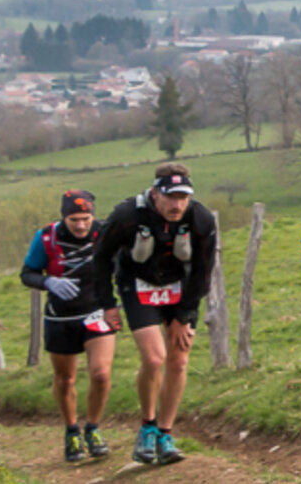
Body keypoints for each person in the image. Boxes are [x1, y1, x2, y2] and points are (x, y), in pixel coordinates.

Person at [91, 162, 217, 466]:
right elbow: (100, 258)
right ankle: (147, 426)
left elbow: (203, 270)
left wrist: (184, 314)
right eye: (170, 197)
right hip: (138, 286)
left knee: (179, 360)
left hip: (180, 289)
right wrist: (107, 303)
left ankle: (165, 433)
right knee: (154, 358)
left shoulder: (200, 219)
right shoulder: (126, 216)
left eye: (183, 197)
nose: (177, 205)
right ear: (154, 193)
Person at [19, 189, 120, 462]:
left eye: (85, 218)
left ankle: (94, 428)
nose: (80, 225)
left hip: (96, 312)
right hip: (60, 317)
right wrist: (47, 281)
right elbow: (27, 273)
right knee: (65, 381)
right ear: (64, 217)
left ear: (93, 216)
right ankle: (71, 431)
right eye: (74, 219)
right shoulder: (46, 238)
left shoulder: (105, 233)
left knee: (101, 374)